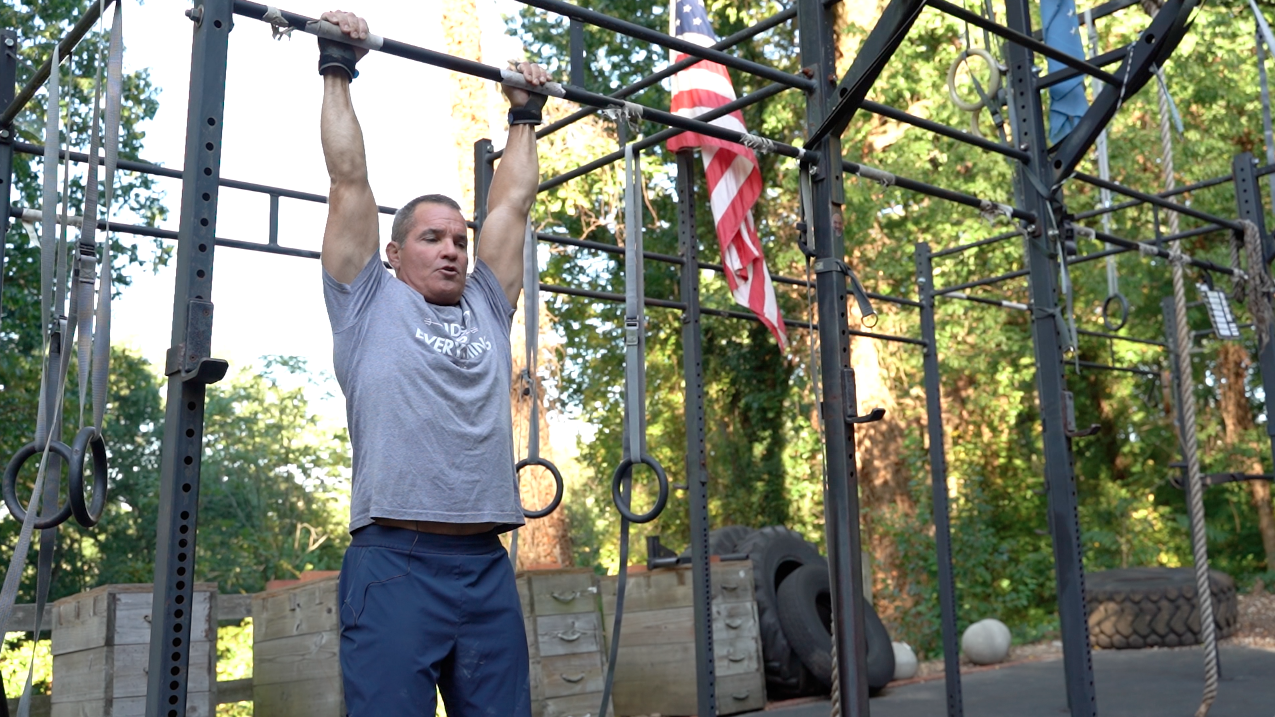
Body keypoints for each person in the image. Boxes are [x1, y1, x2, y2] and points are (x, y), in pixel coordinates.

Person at [316, 9, 549, 716]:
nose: (451, 248)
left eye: (458, 238)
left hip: (484, 565)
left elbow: (512, 200)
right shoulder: (365, 301)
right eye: (430, 237)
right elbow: (347, 179)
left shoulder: (485, 304)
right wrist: (336, 65)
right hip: (394, 564)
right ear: (393, 253)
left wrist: (525, 112)